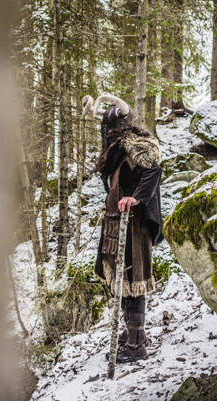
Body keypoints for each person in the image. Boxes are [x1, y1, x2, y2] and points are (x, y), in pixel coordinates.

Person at [85, 94, 163, 363]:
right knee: (121, 280)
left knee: (132, 282)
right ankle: (133, 333)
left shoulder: (135, 146)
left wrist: (136, 197)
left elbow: (153, 170)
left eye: (109, 129)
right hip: (117, 224)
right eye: (105, 130)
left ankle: (135, 345)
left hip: (134, 224)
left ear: (119, 128)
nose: (106, 134)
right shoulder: (118, 150)